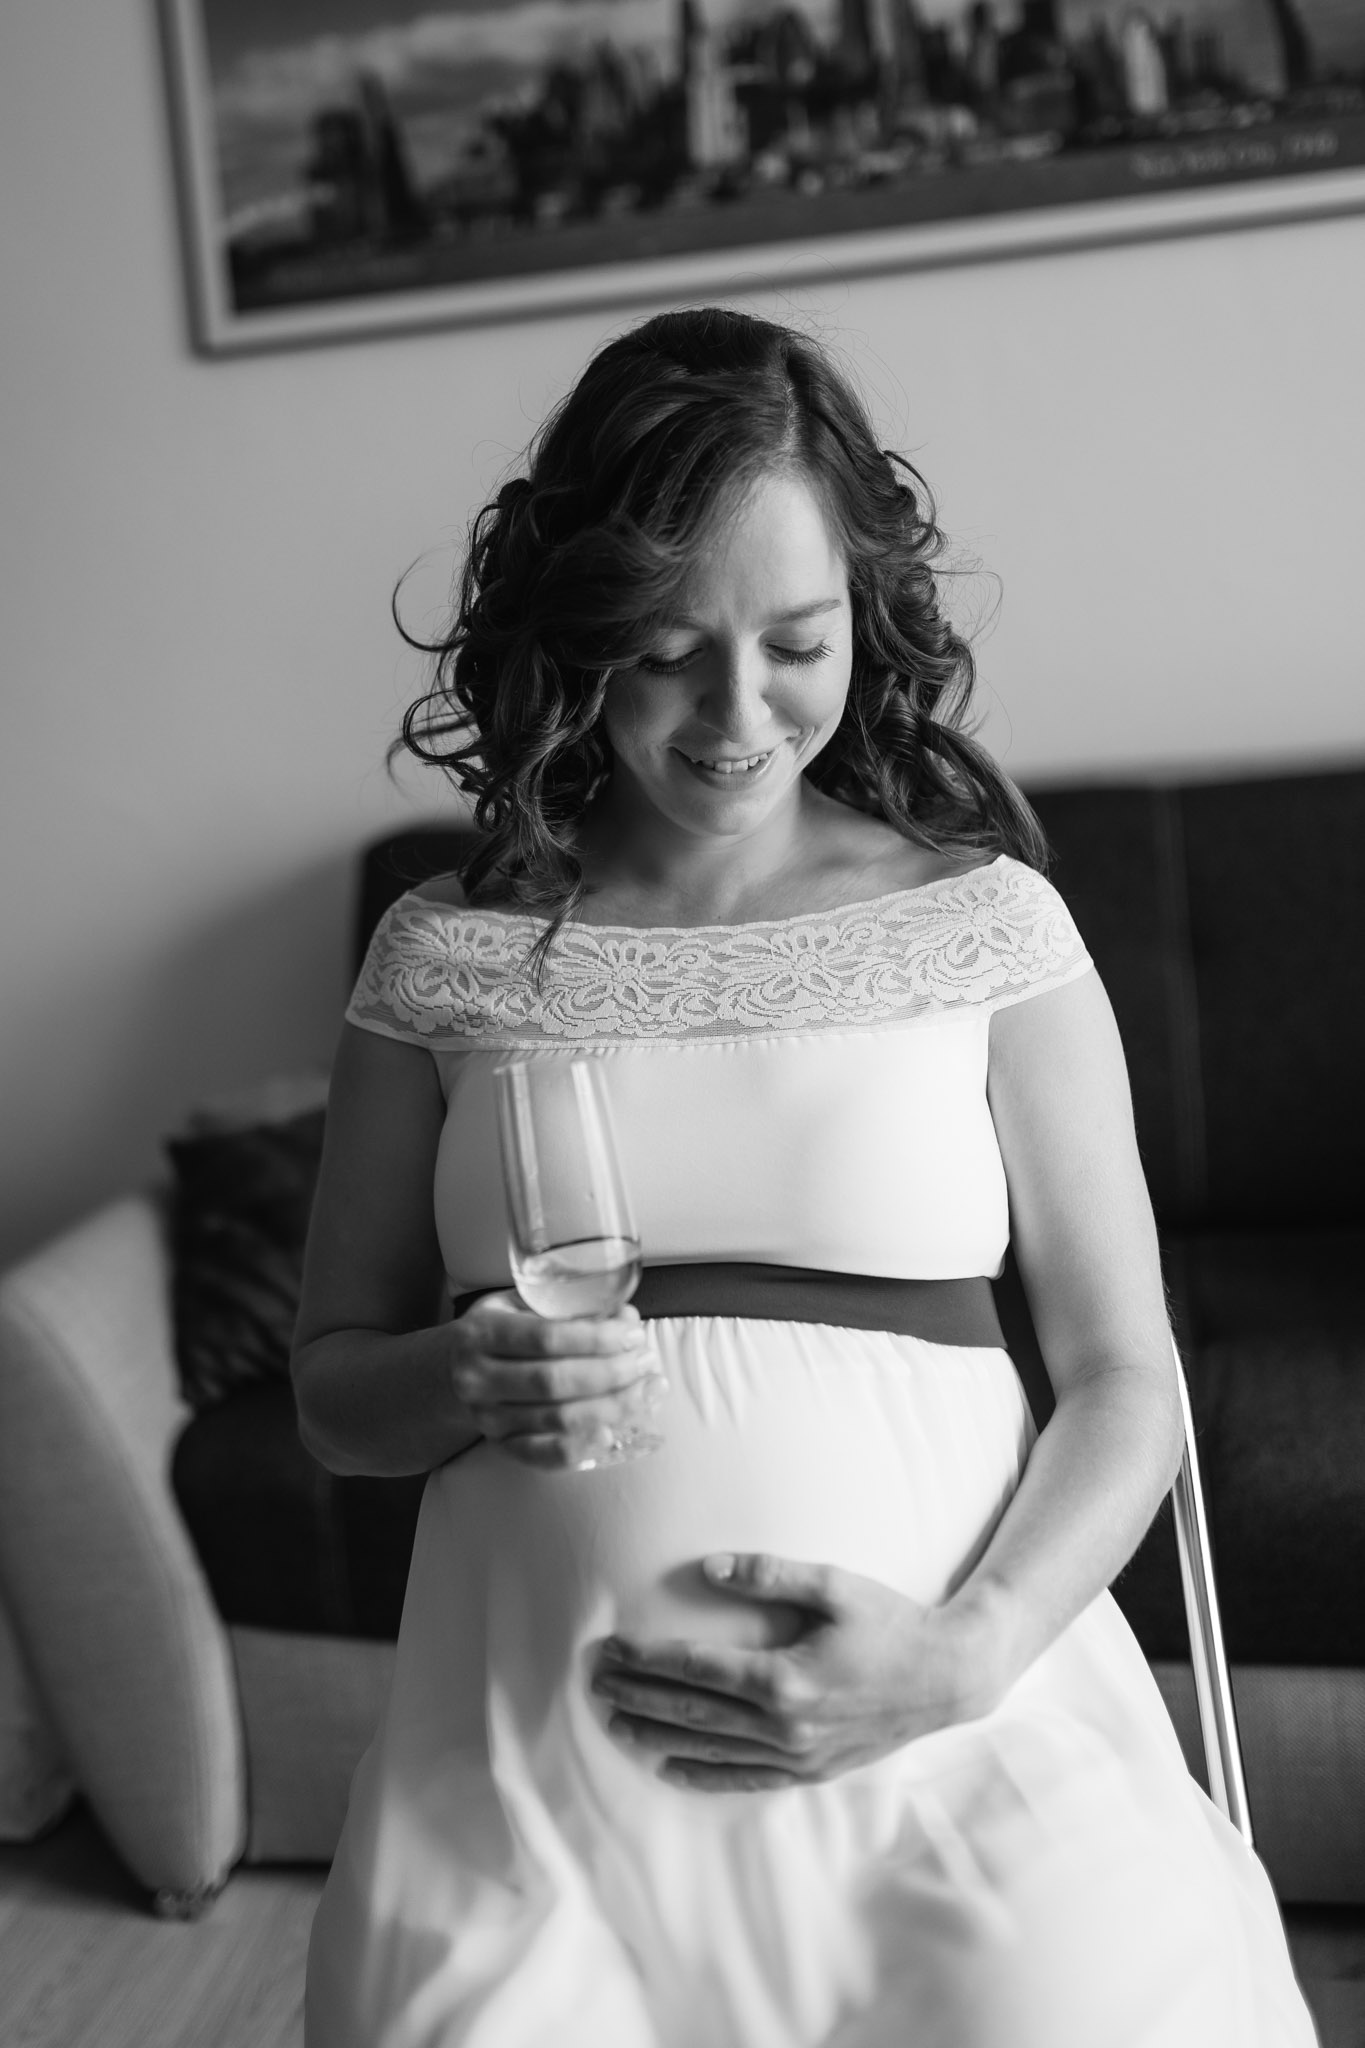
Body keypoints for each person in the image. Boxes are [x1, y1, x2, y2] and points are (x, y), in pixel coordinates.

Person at [296, 307, 1317, 2048]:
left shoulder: (984, 926)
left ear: (865, 615)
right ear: (577, 634)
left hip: (953, 1753)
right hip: (536, 1798)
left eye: (794, 641)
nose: (735, 712)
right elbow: (331, 1395)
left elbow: (1125, 1381)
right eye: (665, 649)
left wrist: (966, 1656)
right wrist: (455, 1377)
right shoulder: (444, 957)